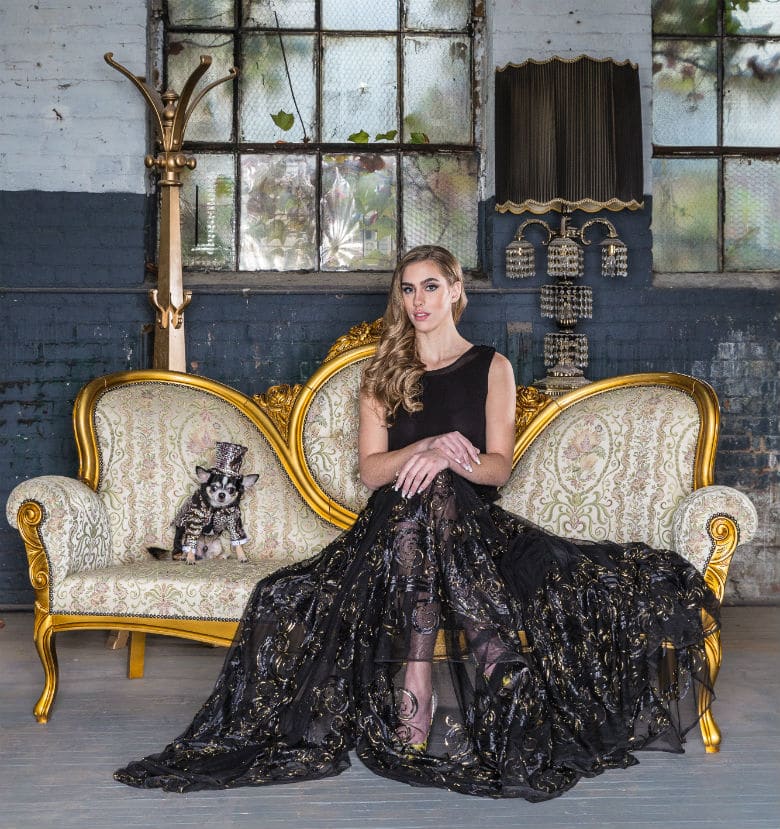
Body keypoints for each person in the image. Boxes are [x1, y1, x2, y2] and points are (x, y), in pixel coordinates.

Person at [115, 245, 718, 799]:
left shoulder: (492, 366)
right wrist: (428, 445)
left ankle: (418, 678)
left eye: (431, 287)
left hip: (473, 524)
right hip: (390, 527)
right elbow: (374, 472)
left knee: (440, 493)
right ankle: (489, 666)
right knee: (393, 515)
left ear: (457, 291)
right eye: (407, 290)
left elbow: (497, 468)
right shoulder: (382, 374)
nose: (419, 302)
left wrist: (447, 461)